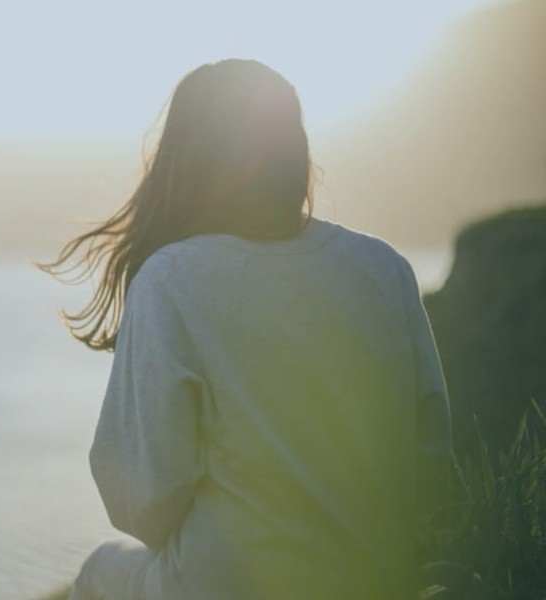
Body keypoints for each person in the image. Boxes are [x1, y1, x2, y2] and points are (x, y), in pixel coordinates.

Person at [37, 59, 453, 599]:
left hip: (229, 583)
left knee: (96, 572)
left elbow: (143, 503)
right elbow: (430, 455)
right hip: (376, 576)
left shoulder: (171, 278)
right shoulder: (384, 266)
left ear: (185, 161)